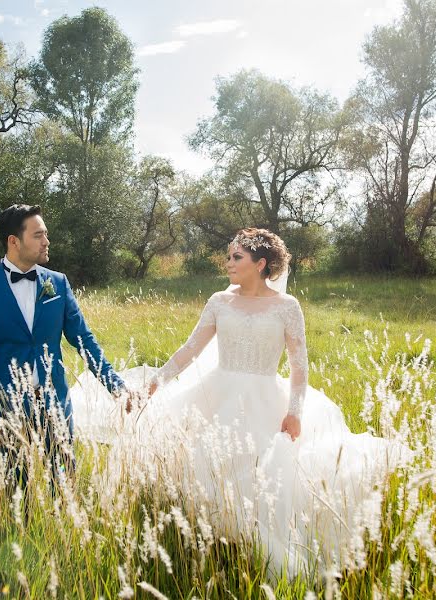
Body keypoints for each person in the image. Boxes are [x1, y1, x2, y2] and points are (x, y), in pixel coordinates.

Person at [70, 227, 406, 579]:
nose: (228, 262)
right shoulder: (219, 301)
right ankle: (206, 546)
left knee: (261, 473)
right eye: (229, 256)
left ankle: (260, 546)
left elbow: (299, 366)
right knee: (208, 466)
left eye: (236, 257)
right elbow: (190, 350)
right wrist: (154, 384)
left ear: (260, 264)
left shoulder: (287, 307)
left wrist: (294, 412)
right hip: (218, 394)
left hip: (265, 400)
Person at [0, 204, 130, 488]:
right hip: (9, 409)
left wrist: (116, 387)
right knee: (18, 493)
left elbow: (84, 340)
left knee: (64, 487)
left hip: (56, 403)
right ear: (13, 241)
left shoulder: (58, 283)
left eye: (46, 234)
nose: (46, 241)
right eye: (38, 235)